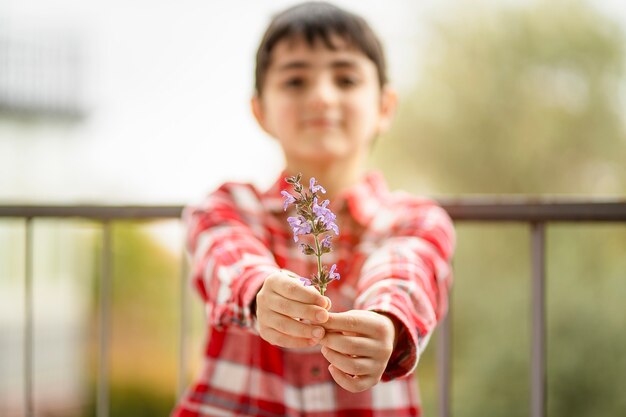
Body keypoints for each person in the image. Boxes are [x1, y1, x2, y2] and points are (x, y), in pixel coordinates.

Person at [171, 2, 455, 416]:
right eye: (295, 81)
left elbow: (403, 272)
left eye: (345, 78)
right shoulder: (227, 208)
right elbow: (227, 258)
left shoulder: (415, 220)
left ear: (385, 106)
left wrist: (387, 325)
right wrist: (259, 293)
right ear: (260, 110)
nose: (321, 97)